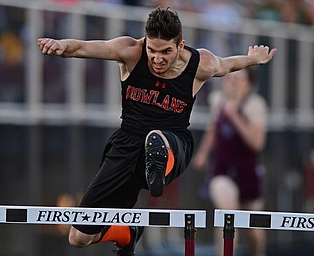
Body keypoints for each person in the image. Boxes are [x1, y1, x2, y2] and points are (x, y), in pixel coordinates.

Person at [37, 6, 276, 256]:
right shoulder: (130, 51)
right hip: (127, 145)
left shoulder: (199, 63)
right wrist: (61, 45)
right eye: (152, 50)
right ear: (145, 42)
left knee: (157, 139)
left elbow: (227, 65)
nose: (157, 59)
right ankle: (127, 232)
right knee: (79, 237)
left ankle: (160, 161)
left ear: (180, 45)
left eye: (166, 52)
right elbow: (84, 48)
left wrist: (251, 59)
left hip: (174, 143)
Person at [192, 67, 268, 256]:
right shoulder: (217, 100)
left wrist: (235, 117)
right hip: (222, 170)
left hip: (247, 172)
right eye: (229, 79)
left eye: (238, 80)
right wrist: (202, 153)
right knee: (227, 216)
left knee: (253, 230)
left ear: (248, 84)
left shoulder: (254, 105)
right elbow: (213, 129)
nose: (232, 84)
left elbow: (257, 143)